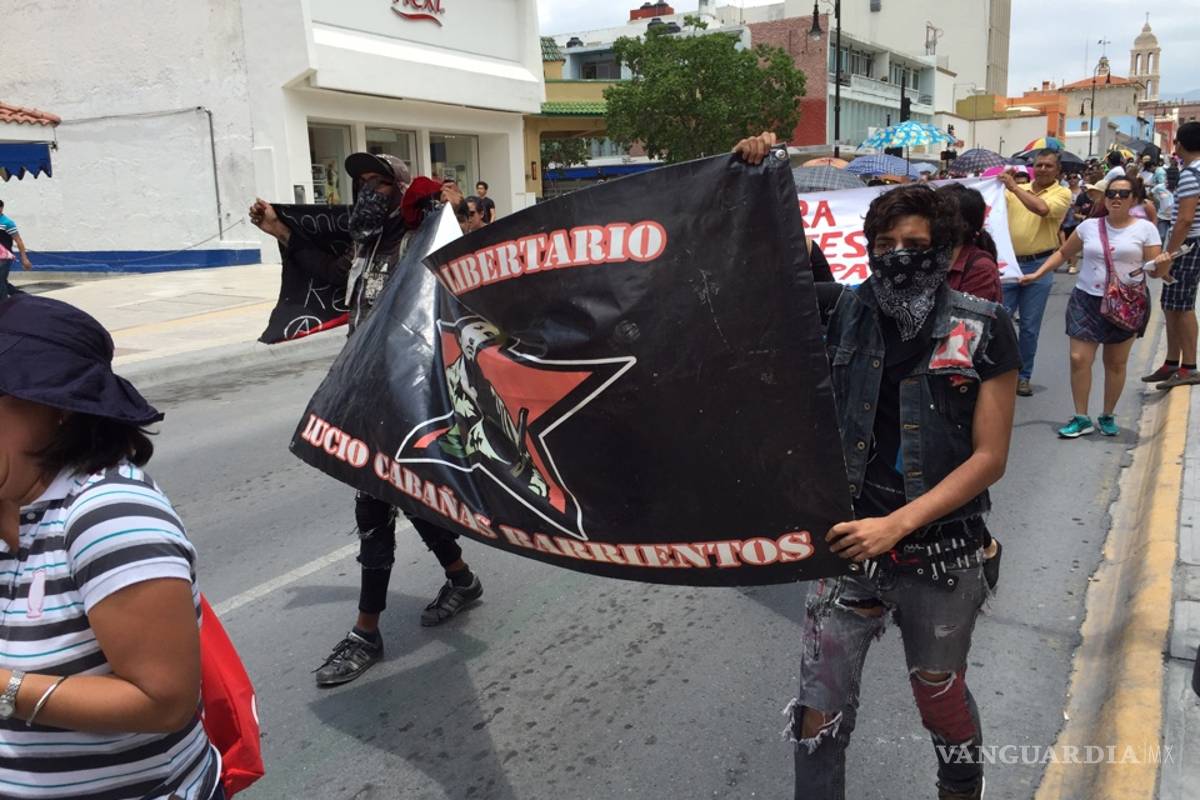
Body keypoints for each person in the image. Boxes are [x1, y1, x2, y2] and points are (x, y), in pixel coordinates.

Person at [735, 132, 1020, 800]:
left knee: (938, 694)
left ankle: (961, 784)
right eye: (885, 244)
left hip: (943, 554)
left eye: (914, 246)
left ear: (945, 252)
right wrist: (752, 179)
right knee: (818, 711)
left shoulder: (983, 328)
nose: (897, 257)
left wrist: (897, 525)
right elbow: (756, 275)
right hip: (847, 550)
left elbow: (990, 458)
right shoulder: (839, 313)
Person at [250, 153, 485, 687]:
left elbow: (461, 278)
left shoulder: (421, 239)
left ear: (401, 188)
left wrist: (448, 213)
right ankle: (461, 578)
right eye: (360, 183)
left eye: (380, 182)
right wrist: (282, 231)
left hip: (408, 396)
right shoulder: (366, 245)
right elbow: (331, 274)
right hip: (364, 391)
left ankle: (366, 633)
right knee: (403, 493)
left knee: (374, 505)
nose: (369, 191)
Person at [0, 294, 222, 799]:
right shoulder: (12, 497)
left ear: (56, 406)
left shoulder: (109, 513)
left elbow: (165, 702)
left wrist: (7, 688)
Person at [1019, 175, 1162, 437]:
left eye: (1123, 194)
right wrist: (1037, 274)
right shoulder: (1089, 226)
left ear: (1133, 199)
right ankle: (1081, 417)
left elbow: (1156, 271)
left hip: (1126, 302)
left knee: (1115, 363)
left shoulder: (1145, 229)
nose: (1116, 198)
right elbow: (1063, 252)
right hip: (1086, 298)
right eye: (1111, 193)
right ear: (1105, 199)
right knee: (1078, 359)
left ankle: (1107, 414)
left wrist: (1163, 263)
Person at [1000, 149, 1073, 397]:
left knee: (1029, 327)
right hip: (1009, 265)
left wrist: (1013, 188)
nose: (1042, 169)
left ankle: (1023, 376)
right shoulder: (1015, 190)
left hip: (1039, 266)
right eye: (1039, 165)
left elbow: (1041, 209)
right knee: (1000, 322)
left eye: (1048, 166)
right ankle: (1000, 372)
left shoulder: (1062, 193)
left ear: (1058, 171)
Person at [1145, 122, 1200, 388]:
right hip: (1190, 244)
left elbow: (1185, 220)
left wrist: (1169, 254)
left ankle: (1188, 367)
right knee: (1171, 304)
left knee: (1183, 305)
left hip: (1188, 245)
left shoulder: (1190, 174)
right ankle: (1171, 362)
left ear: (1180, 144)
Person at [0, 200, 33, 301]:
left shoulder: (7, 223)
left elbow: (18, 241)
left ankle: (3, 304)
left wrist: (24, 258)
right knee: (2, 282)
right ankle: (23, 297)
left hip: (4, 258)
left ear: (1, 208)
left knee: (0, 281)